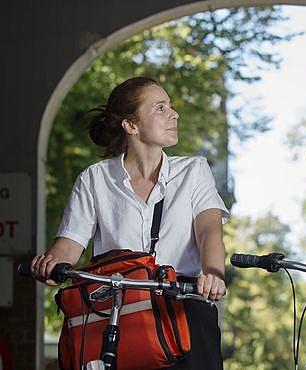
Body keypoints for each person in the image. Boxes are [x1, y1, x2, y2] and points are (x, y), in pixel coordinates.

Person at [30, 77, 229, 370]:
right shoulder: (94, 179)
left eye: (171, 107)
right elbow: (68, 246)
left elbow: (209, 230)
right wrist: (50, 264)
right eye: (160, 108)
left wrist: (213, 274)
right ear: (131, 125)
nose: (174, 114)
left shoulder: (193, 171)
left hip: (183, 305)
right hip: (119, 310)